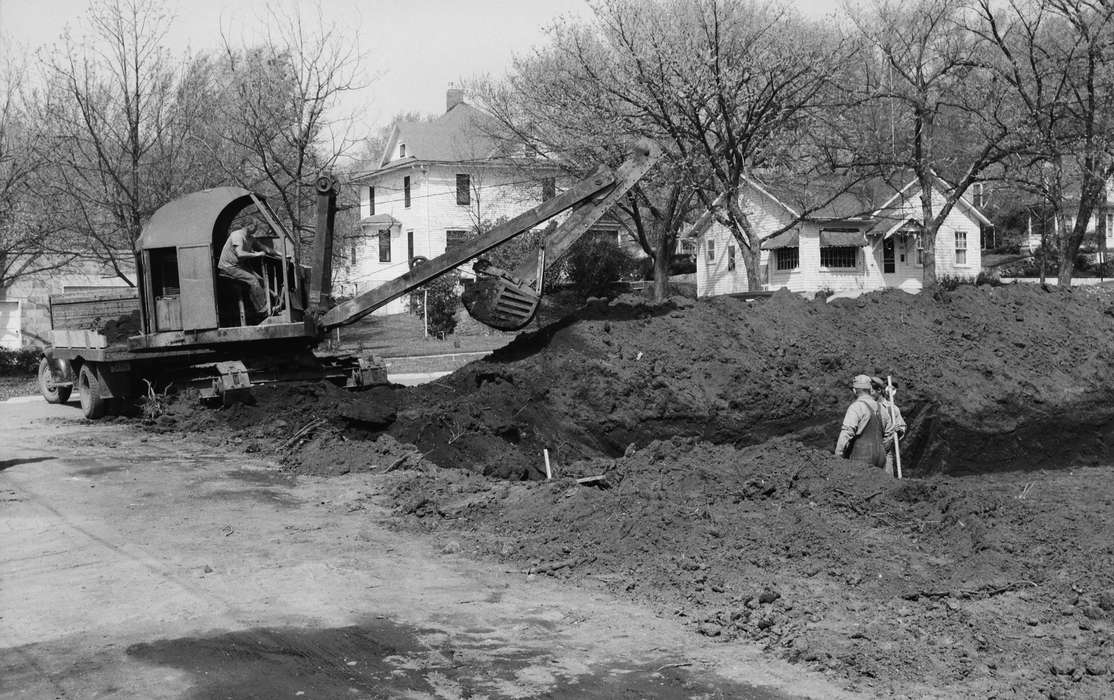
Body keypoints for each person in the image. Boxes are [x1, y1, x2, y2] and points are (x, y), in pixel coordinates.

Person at [217, 220, 275, 322]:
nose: (256, 228)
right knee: (253, 280)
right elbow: (240, 253)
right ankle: (262, 310)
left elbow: (264, 248)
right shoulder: (237, 235)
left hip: (238, 266)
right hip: (228, 267)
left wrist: (281, 255)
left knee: (260, 279)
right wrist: (257, 254)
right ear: (249, 226)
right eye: (255, 226)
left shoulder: (250, 238)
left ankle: (271, 303)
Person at [834, 374, 886, 470]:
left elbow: (846, 432)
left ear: (854, 390)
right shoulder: (882, 408)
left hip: (862, 455)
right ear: (870, 389)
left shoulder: (856, 407)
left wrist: (837, 456)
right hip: (881, 456)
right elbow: (889, 433)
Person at [872, 376, 907, 477]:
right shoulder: (868, 406)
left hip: (886, 451)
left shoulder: (892, 408)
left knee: (887, 481)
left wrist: (899, 429)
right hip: (868, 450)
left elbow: (901, 426)